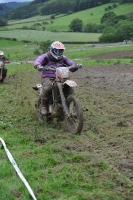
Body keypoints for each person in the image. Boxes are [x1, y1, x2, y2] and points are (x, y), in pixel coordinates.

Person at [34, 41, 79, 115]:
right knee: (48, 87)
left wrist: (75, 66)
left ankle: (74, 107)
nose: (59, 53)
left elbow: (71, 64)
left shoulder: (64, 58)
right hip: (48, 77)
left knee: (69, 88)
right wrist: (38, 65)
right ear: (52, 50)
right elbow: (38, 61)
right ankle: (43, 105)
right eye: (57, 51)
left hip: (62, 77)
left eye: (61, 51)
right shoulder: (46, 56)